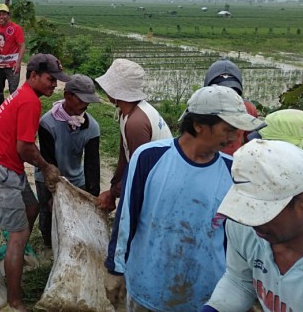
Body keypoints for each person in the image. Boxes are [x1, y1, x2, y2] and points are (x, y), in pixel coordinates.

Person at [106, 85, 264, 312]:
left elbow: (235, 239)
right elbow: (126, 218)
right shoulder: (149, 158)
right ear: (199, 125)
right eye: (228, 129)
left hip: (206, 293)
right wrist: (115, 268)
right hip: (148, 284)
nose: (234, 137)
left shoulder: (234, 172)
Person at [0, 54, 70, 312]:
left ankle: (15, 256)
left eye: (57, 81)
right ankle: (15, 301)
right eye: (51, 79)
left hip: (8, 167)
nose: (55, 85)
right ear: (33, 76)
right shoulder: (30, 102)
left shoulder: (24, 94)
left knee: (31, 209)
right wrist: (46, 166)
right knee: (18, 234)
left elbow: (21, 148)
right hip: (0, 170)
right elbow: (25, 148)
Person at [201, 139, 303, 312]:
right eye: (246, 208)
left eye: (262, 213)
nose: (251, 223)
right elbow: (240, 281)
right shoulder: (243, 226)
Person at [95, 58, 173, 212]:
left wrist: (112, 193)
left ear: (117, 91)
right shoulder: (127, 114)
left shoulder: (136, 123)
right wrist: (114, 186)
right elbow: (125, 155)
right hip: (148, 179)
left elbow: (139, 172)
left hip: (156, 186)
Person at [35, 74, 102, 247]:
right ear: (67, 96)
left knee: (78, 213)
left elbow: (92, 164)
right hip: (48, 177)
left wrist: (93, 197)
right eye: (81, 100)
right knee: (49, 213)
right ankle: (49, 243)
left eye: (88, 101)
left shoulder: (92, 127)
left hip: (75, 177)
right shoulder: (47, 123)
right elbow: (49, 161)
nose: (85, 105)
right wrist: (54, 194)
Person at [204, 58, 258, 155]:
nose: (227, 95)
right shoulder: (199, 109)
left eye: (231, 90)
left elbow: (251, 142)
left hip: (234, 163)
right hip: (207, 162)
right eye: (221, 91)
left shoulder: (248, 108)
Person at [0, 3, 26, 106]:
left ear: (8, 15)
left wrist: (19, 62)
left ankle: (13, 110)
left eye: (4, 14)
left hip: (13, 66)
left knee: (13, 90)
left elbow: (22, 45)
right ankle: (2, 107)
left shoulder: (16, 28)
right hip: (0, 66)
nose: (1, 17)